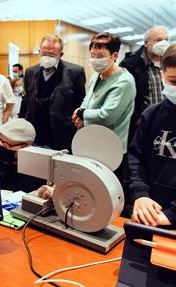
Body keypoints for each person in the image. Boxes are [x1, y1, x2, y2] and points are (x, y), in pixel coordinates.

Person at [72, 32, 135, 216]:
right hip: (91, 144)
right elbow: (86, 101)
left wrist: (82, 113)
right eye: (92, 56)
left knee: (109, 198)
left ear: (114, 56)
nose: (95, 60)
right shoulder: (96, 76)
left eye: (100, 56)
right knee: (91, 193)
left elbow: (108, 115)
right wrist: (80, 114)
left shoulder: (124, 82)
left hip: (111, 149)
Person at [128, 42, 176, 227]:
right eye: (173, 81)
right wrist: (141, 195)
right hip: (151, 211)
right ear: (161, 75)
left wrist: (172, 215)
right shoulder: (151, 114)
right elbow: (137, 160)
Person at [19, 33, 86, 153]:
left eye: (51, 54)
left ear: (60, 55)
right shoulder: (30, 72)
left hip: (61, 134)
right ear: (39, 52)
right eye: (44, 54)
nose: (47, 57)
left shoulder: (75, 72)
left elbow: (80, 102)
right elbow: (27, 102)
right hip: (34, 133)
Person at [120, 26, 170, 143]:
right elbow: (123, 96)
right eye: (158, 40)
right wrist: (136, 118)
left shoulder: (171, 63)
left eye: (166, 39)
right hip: (143, 124)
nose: (164, 43)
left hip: (168, 121)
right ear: (146, 43)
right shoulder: (130, 64)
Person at [0, 118, 47, 192]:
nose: (1, 145)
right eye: (0, 140)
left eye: (6, 144)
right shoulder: (4, 158)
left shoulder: (44, 160)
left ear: (26, 147)